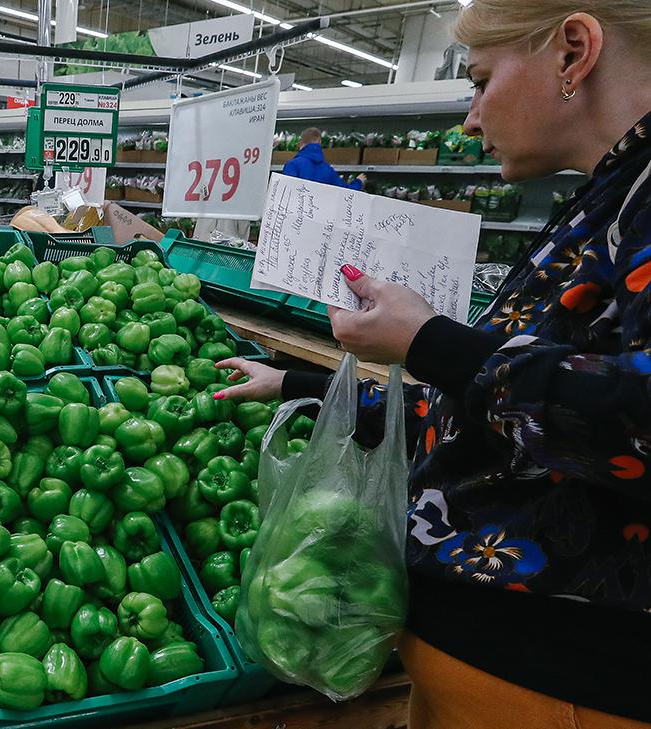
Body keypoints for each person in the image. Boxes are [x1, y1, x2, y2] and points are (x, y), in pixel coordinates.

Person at [218, 3, 651, 727]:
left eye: (479, 82)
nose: (470, 121)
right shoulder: (610, 194)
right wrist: (300, 384)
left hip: (567, 682)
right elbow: (502, 415)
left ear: (573, 51)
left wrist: (428, 341)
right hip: (501, 674)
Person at [281, 127, 366, 190]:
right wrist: (358, 182)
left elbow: (286, 193)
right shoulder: (328, 170)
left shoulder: (292, 165)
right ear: (320, 143)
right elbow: (345, 192)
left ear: (300, 143)